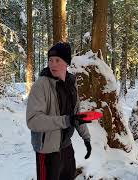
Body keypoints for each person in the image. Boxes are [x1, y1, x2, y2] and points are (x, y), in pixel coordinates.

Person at [26, 42, 92, 180]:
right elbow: (33, 120)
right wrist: (66, 120)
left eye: (57, 60)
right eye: (50, 60)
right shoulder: (41, 85)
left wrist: (86, 137)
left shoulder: (71, 83)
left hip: (66, 146)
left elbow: (76, 115)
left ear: (66, 63)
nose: (52, 64)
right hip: (47, 150)